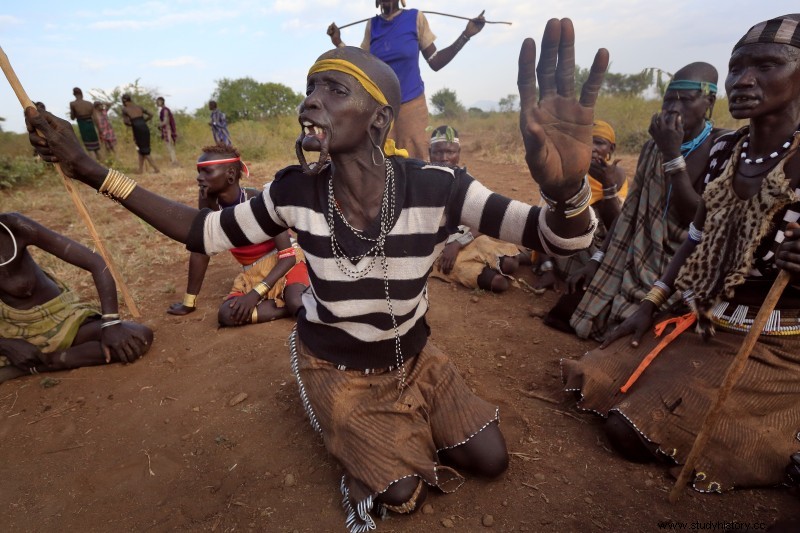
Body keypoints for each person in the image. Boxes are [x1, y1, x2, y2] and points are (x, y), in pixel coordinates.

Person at [26, 20, 608, 531]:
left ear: (380, 116)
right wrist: (92, 170)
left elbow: (563, 237)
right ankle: (348, 426)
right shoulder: (292, 192)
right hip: (339, 366)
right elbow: (202, 233)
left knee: (491, 460)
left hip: (417, 360)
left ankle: (400, 421)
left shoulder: (439, 188)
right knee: (400, 496)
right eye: (309, 90)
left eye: (333, 89)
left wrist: (566, 191)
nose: (310, 102)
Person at [563, 13, 800, 494]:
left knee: (630, 430)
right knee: (593, 377)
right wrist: (651, 303)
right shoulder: (724, 151)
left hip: (775, 342)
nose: (744, 80)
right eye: (737, 68)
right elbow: (694, 232)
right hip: (708, 319)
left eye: (766, 66)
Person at [566, 62, 725, 340]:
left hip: (684, 261)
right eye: (668, 102)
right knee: (574, 293)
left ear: (709, 102)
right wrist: (599, 258)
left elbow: (698, 221)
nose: (674, 110)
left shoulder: (720, 146)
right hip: (638, 253)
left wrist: (672, 155)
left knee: (646, 325)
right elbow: (631, 212)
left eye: (686, 101)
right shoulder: (652, 147)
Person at [0, 212, 153, 384]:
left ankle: (43, 363)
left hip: (63, 321)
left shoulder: (13, 227)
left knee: (139, 337)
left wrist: (111, 323)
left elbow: (95, 263)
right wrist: (7, 346)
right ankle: (27, 359)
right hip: (10, 333)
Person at [166, 144, 309, 325]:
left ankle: (298, 298)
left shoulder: (258, 200)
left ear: (231, 175)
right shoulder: (209, 203)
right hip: (252, 273)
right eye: (198, 172)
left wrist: (254, 295)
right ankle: (303, 299)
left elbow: (287, 256)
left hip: (285, 264)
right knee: (227, 315)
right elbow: (201, 249)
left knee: (295, 301)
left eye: (207, 172)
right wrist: (189, 302)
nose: (199, 178)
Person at [327, 1, 485, 160]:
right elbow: (362, 65)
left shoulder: (415, 18)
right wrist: (338, 43)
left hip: (412, 104)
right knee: (380, 161)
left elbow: (435, 61)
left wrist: (465, 35)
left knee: (416, 159)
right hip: (381, 108)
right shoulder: (372, 26)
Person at [530, 119, 628, 295]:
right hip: (569, 245)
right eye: (588, 142)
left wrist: (608, 188)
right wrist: (548, 268)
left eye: (599, 143)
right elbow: (543, 219)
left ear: (611, 149)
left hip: (603, 247)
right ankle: (551, 267)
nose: (593, 148)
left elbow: (619, 226)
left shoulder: (617, 176)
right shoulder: (568, 172)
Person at [428, 125, 521, 293]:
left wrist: (458, 243)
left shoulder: (467, 182)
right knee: (499, 283)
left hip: (467, 238)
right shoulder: (421, 181)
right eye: (437, 152)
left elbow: (484, 221)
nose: (443, 158)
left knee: (510, 264)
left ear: (459, 152)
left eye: (450, 152)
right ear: (429, 152)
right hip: (438, 249)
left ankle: (528, 256)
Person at [121, 94, 160, 174]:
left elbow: (126, 122)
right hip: (145, 127)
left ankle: (156, 169)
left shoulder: (125, 109)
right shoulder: (139, 107)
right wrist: (143, 121)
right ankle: (140, 170)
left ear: (124, 101)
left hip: (137, 129)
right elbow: (151, 114)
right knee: (141, 149)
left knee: (144, 150)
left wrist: (134, 123)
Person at [69, 87, 101, 161]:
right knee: (96, 146)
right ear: (81, 93)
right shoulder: (89, 103)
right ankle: (103, 163)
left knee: (90, 148)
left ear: (74, 94)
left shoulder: (73, 104)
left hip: (82, 125)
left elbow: (72, 117)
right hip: (91, 125)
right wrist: (99, 130)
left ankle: (96, 165)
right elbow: (95, 118)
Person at [156, 97, 178, 166]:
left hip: (167, 130)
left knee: (169, 145)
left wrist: (160, 125)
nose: (157, 103)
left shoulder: (165, 110)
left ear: (161, 101)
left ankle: (174, 161)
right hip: (166, 129)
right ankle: (173, 160)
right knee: (169, 145)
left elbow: (165, 121)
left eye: (158, 101)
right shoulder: (163, 110)